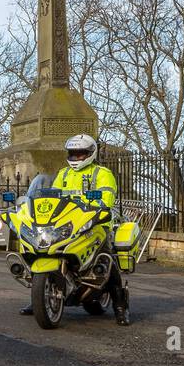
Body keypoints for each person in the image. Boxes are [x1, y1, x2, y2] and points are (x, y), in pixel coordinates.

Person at [19, 134, 129, 325]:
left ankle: (120, 306)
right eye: (73, 154)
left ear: (90, 154)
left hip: (95, 223)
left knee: (106, 260)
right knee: (43, 249)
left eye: (80, 154)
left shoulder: (102, 173)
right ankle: (39, 298)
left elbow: (106, 199)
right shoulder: (63, 174)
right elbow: (51, 198)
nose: (76, 158)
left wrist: (91, 204)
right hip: (68, 222)